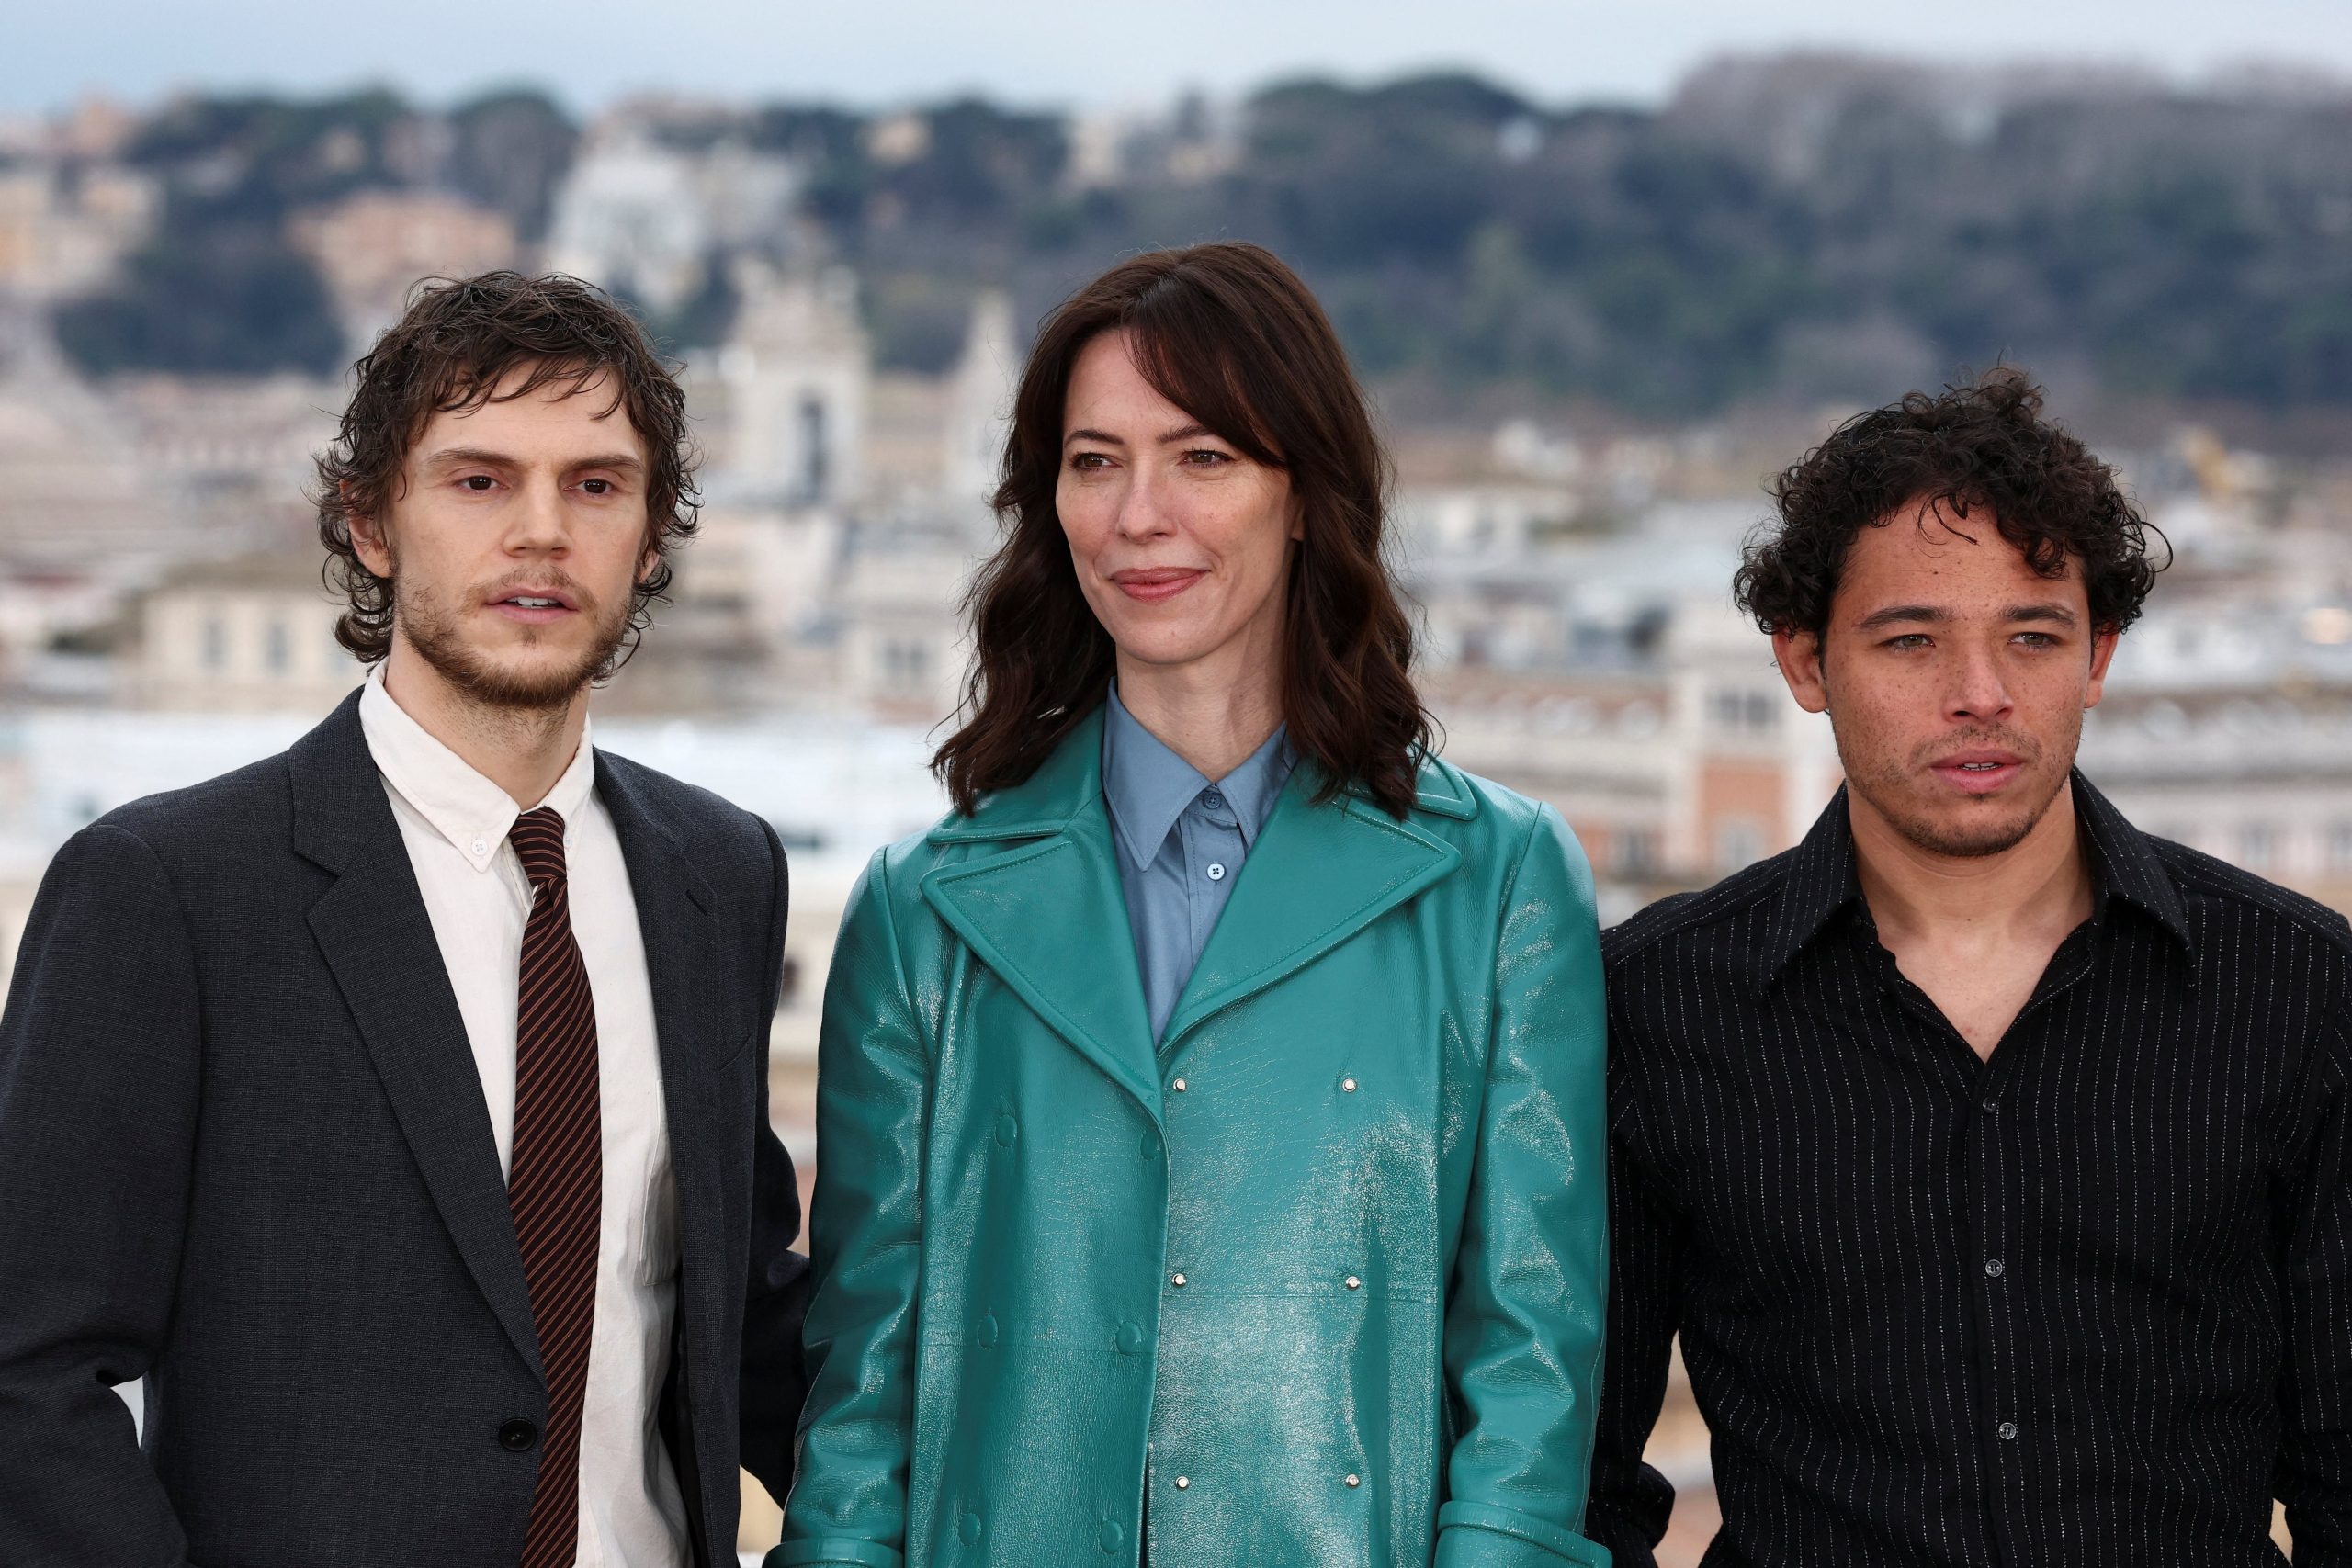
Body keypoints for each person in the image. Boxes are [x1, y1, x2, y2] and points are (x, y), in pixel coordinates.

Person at [775, 242, 1610, 1568]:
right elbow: (861, 1402)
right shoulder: (920, 912)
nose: (1138, 515)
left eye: (1202, 457)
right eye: (1093, 461)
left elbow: (1531, 1363)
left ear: (1305, 493)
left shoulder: (1499, 883)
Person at [0, 272, 811, 1568]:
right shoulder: (167, 888)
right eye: (479, 481)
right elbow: (25, 1372)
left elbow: (748, 1324)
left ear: (652, 540)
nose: (542, 532)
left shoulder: (720, 874)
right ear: (369, 522)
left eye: (596, 486)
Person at [1588, 371, 2351, 1566]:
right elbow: (1575, 1484)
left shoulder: (2297, 991)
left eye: (2033, 638)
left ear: (2097, 658)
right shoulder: (1653, 1005)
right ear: (1803, 662)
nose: (1980, 696)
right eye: (1912, 641)